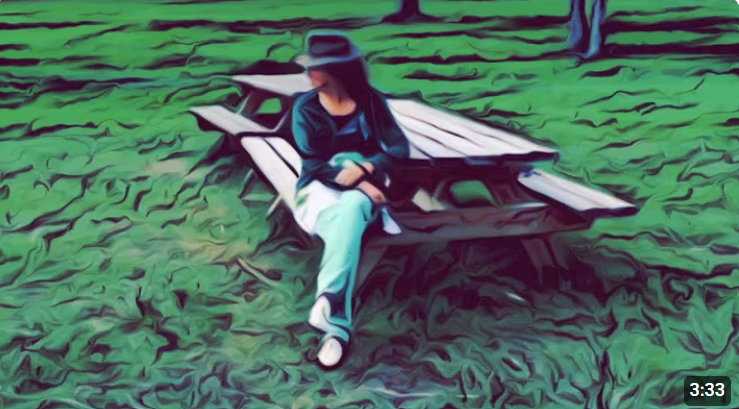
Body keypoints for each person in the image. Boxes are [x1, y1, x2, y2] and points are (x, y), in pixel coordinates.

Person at [291, 31, 410, 368]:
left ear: (335, 70)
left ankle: (330, 310)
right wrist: (361, 183)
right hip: (318, 191)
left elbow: (399, 147)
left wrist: (367, 168)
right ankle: (337, 328)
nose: (309, 72)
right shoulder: (305, 108)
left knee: (352, 211)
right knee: (351, 217)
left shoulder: (370, 101)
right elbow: (315, 164)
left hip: (360, 194)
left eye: (315, 67)